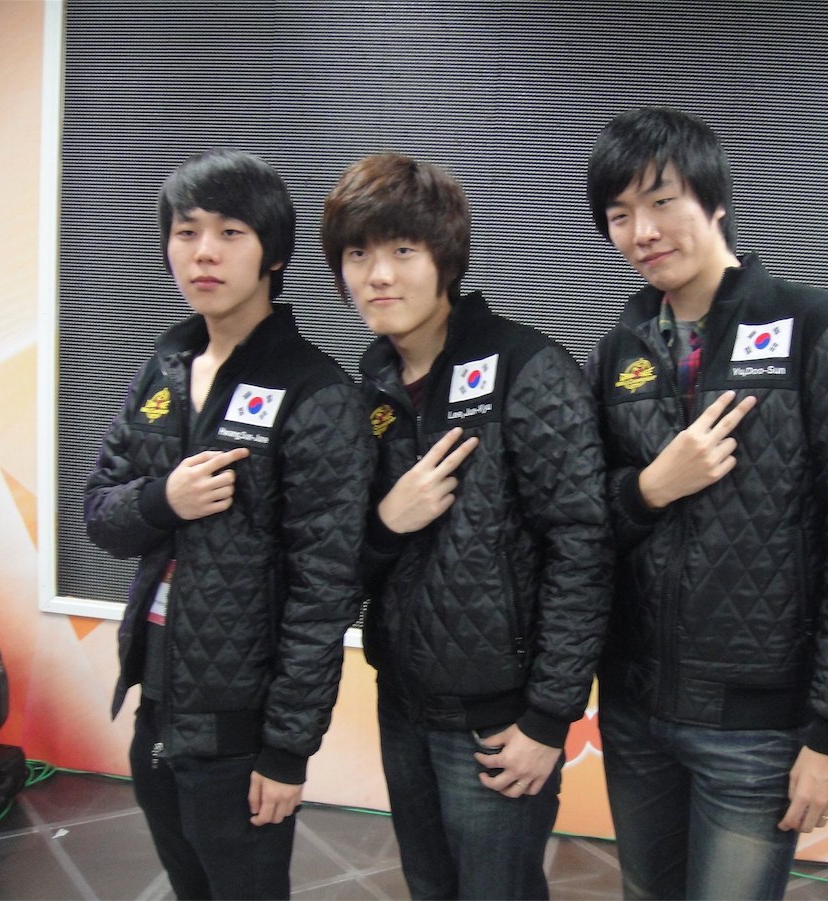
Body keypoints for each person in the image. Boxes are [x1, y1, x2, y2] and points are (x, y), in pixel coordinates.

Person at [584, 107, 828, 900]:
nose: (641, 232)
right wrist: (649, 488)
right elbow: (584, 520)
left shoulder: (815, 328)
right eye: (619, 215)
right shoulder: (618, 352)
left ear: (714, 199)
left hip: (757, 726)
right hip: (635, 712)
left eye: (662, 201)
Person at [320, 152, 612, 900]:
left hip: (499, 721)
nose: (378, 276)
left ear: (444, 259)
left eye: (402, 251)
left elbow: (584, 548)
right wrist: (387, 522)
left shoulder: (526, 368)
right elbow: (345, 555)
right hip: (402, 703)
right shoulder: (371, 384)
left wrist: (548, 719)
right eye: (358, 255)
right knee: (429, 886)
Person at [85, 148, 374, 900]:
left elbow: (325, 589)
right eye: (186, 232)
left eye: (229, 233)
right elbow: (100, 514)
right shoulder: (166, 365)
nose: (203, 252)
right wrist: (163, 500)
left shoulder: (314, 390)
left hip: (240, 722)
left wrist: (286, 750)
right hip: (157, 696)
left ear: (273, 253)